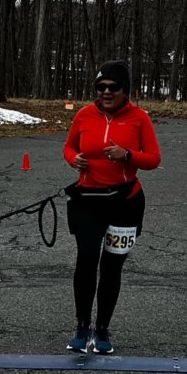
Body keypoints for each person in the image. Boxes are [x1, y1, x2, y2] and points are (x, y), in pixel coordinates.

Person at [62, 60, 161, 355]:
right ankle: (82, 326)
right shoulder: (83, 115)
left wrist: (127, 155)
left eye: (113, 87)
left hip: (124, 202)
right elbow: (68, 147)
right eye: (101, 87)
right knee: (86, 259)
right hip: (88, 200)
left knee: (111, 266)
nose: (106, 92)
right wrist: (73, 159)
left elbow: (154, 159)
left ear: (125, 90)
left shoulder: (139, 118)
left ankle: (102, 329)